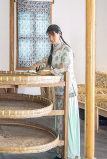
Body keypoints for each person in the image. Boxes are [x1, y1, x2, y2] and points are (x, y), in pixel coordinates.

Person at [31, 24, 80, 159]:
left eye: (52, 35)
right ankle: (60, 151)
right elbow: (45, 61)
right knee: (59, 121)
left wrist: (48, 71)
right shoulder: (54, 51)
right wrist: (38, 65)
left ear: (59, 34)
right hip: (59, 92)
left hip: (68, 91)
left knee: (67, 121)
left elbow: (64, 70)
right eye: (49, 36)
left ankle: (69, 153)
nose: (51, 38)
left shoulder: (66, 50)